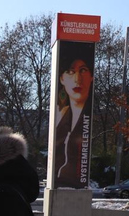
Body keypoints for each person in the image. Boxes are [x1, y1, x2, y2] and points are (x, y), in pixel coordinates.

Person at [54, 46, 94, 189]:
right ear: (62, 79)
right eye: (71, 72)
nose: (77, 79)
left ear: (91, 77)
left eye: (83, 70)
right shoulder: (60, 116)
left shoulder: (89, 119)